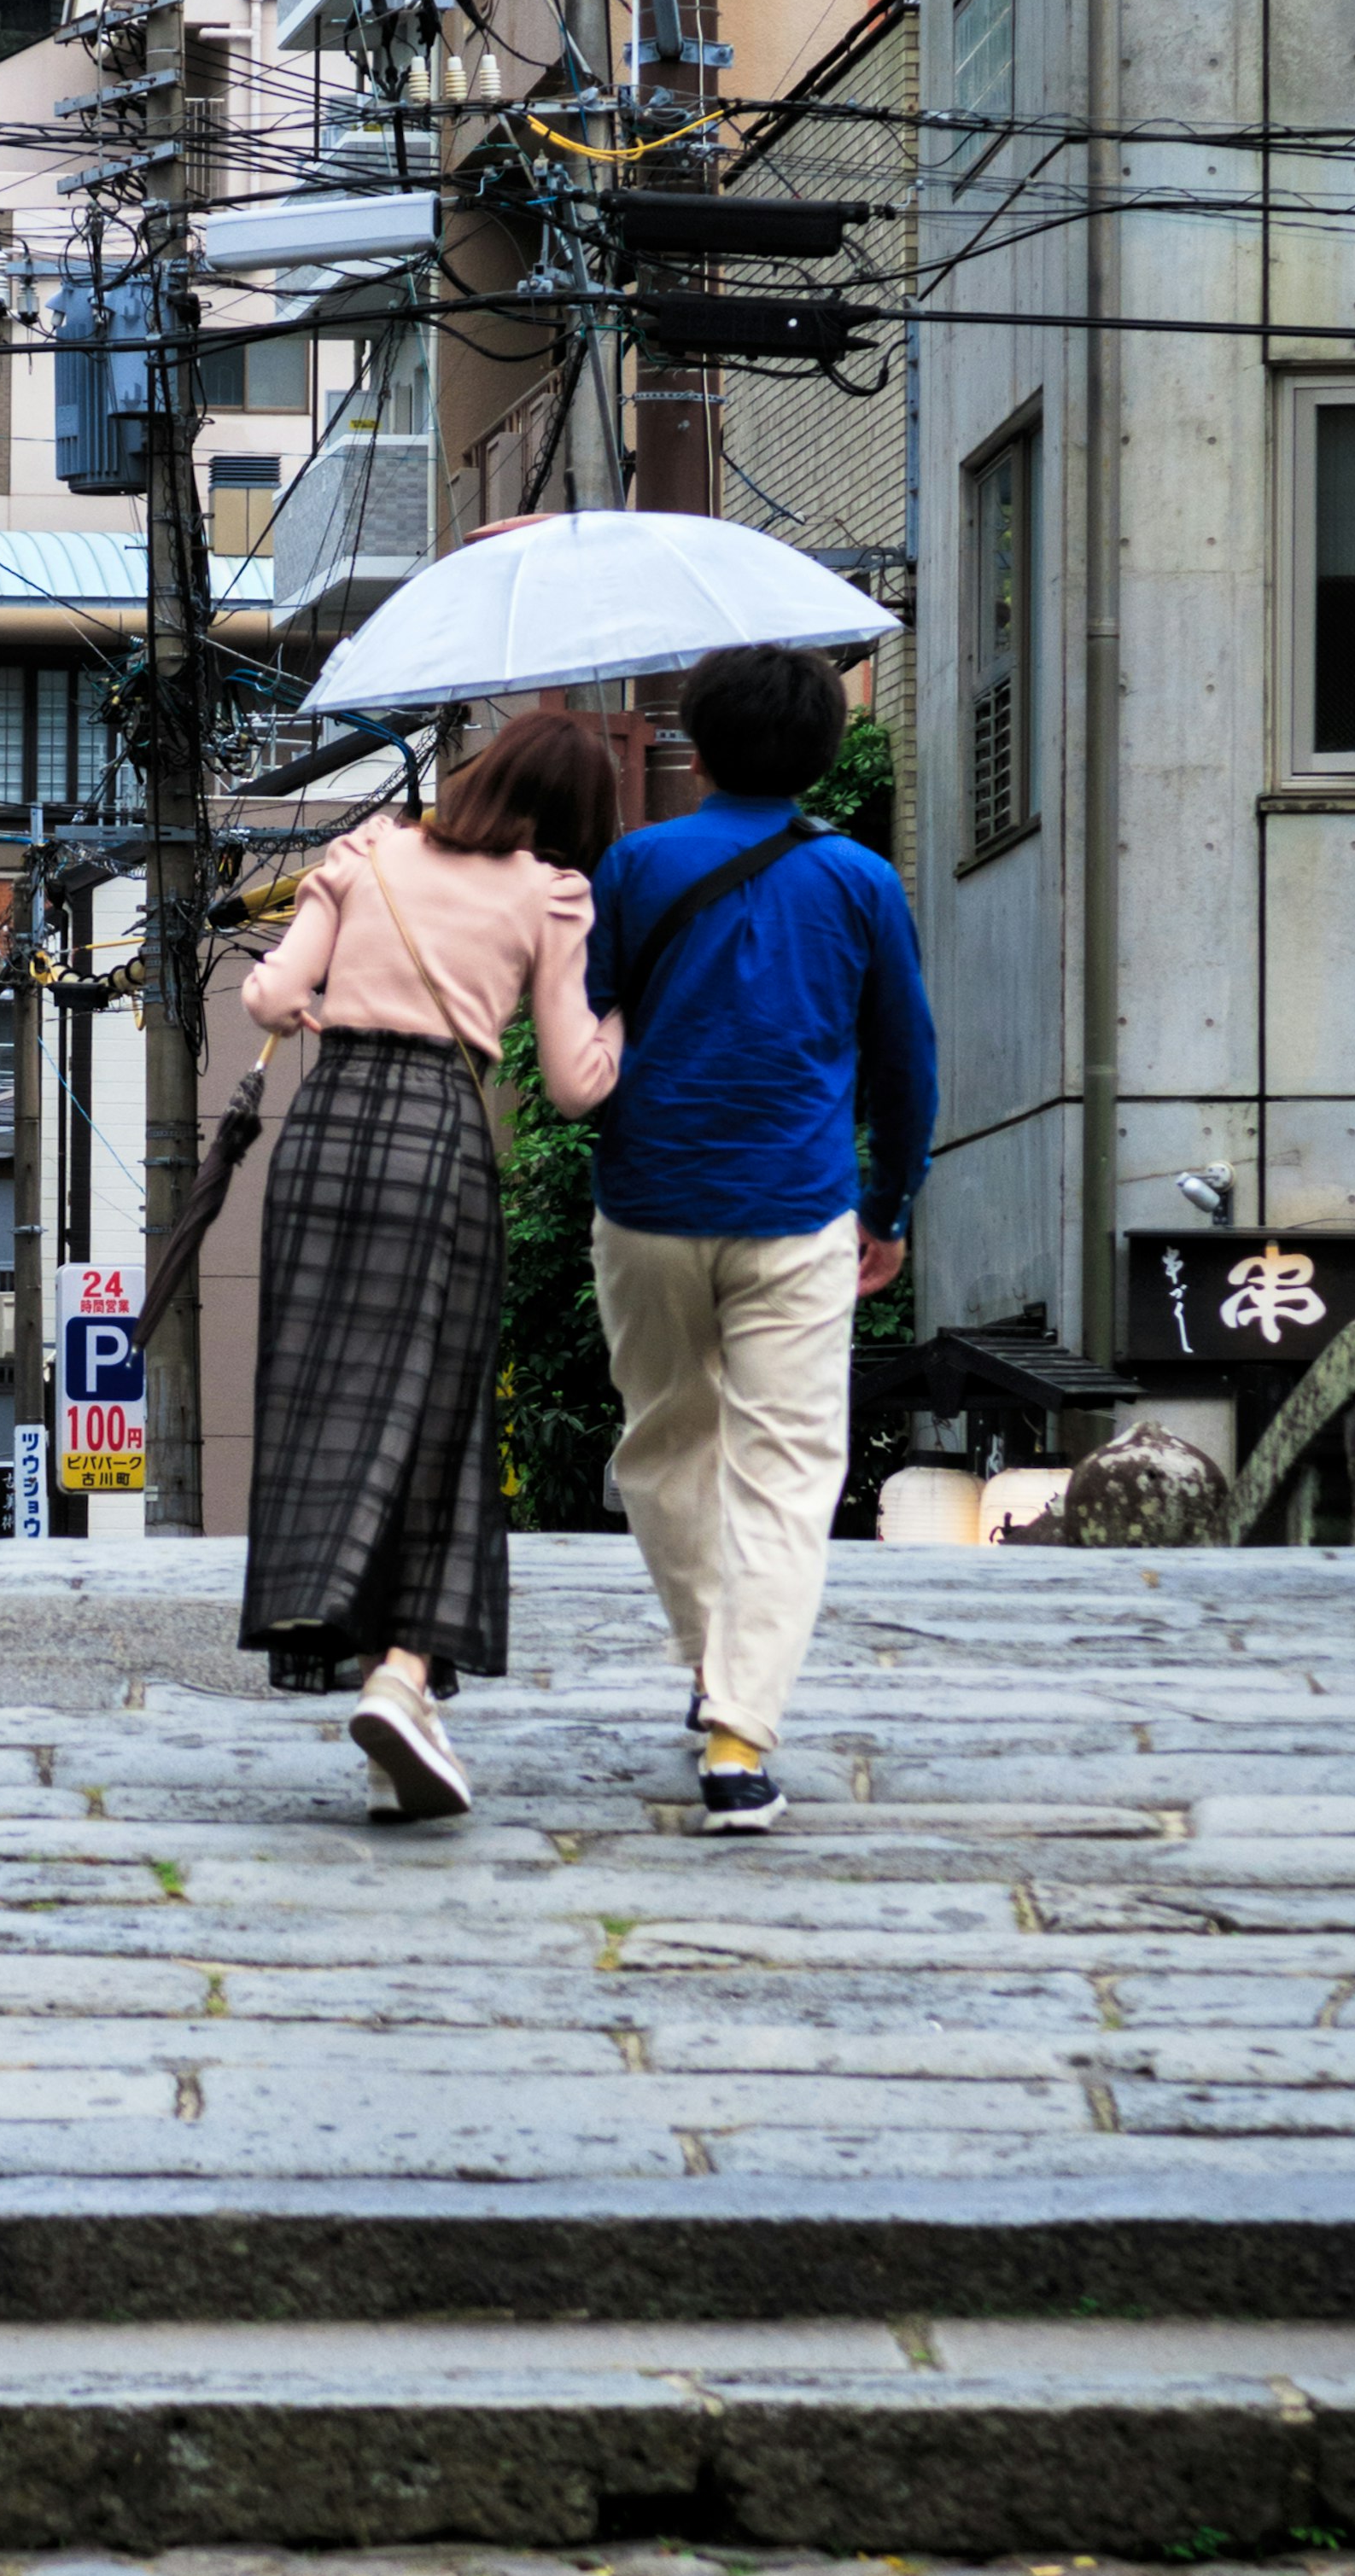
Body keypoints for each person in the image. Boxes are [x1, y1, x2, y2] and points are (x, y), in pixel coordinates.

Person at [237, 711, 624, 1822]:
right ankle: (405, 1670)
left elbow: (266, 996)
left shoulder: (364, 852)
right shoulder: (551, 896)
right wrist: (633, 1018)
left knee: (332, 1407)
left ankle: (391, 1713)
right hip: (437, 1141)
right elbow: (574, 1080)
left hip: (323, 1133)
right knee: (438, 1420)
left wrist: (317, 1007)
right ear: (573, 821)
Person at [587, 641, 937, 1837]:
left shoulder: (635, 863)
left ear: (699, 739)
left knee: (665, 1445)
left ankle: (715, 1670)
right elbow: (906, 1063)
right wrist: (888, 1208)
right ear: (823, 751)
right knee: (788, 1470)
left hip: (647, 1202)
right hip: (797, 1209)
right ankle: (738, 1734)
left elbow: (586, 1033)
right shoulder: (859, 881)